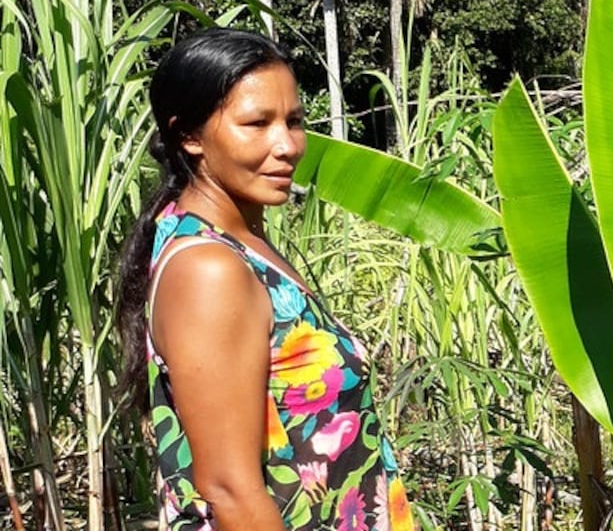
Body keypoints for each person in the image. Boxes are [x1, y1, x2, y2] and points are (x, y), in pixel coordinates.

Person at [116, 28, 415, 531]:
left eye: (294, 121)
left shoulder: (238, 242)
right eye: (256, 124)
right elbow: (229, 491)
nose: (287, 146)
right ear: (188, 136)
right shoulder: (209, 269)